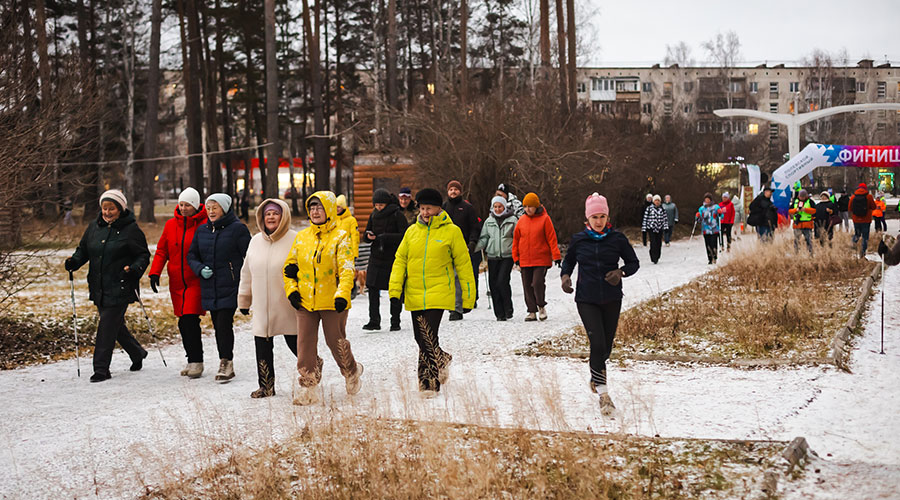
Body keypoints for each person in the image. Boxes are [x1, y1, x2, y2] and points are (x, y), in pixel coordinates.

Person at [389, 188, 475, 395]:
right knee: (420, 337)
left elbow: (464, 265)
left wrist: (468, 297)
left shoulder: (452, 232)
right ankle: (442, 358)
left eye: (429, 208)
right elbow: (400, 260)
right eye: (422, 208)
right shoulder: (412, 232)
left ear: (439, 208)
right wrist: (394, 291)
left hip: (439, 291)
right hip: (415, 292)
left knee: (428, 335)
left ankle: (428, 381)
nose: (425, 212)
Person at [560, 193, 639, 415]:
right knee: (597, 344)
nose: (599, 221)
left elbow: (633, 263)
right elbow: (569, 261)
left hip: (612, 298)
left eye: (602, 216)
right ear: (588, 218)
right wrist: (565, 277)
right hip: (586, 299)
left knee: (606, 346)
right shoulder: (579, 239)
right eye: (595, 216)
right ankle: (604, 394)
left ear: (607, 216)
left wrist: (620, 272)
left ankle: (595, 373)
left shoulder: (617, 239)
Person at [283, 192, 362, 405]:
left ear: (328, 209)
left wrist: (343, 294)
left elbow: (347, 270)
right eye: (313, 208)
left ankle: (351, 370)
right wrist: (292, 290)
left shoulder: (341, 236)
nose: (316, 212)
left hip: (333, 301)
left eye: (320, 207)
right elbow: (289, 268)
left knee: (335, 341)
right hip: (305, 301)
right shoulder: (302, 237)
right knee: (305, 344)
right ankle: (308, 386)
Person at [64, 189, 150, 383]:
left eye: (111, 208)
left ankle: (101, 369)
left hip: (121, 283)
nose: (107, 212)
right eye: (104, 208)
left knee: (106, 326)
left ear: (120, 209)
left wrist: (134, 269)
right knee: (115, 325)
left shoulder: (131, 229)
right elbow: (83, 250)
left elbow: (143, 255)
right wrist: (74, 262)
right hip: (99, 285)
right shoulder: (94, 227)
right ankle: (137, 353)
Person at [186, 193, 252, 383]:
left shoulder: (238, 229)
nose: (211, 211)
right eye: (208, 208)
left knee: (223, 323)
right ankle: (225, 359)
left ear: (224, 208)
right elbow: (192, 256)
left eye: (215, 207)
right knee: (218, 324)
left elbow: (249, 257)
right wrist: (200, 269)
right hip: (209, 285)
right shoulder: (202, 230)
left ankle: (226, 363)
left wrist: (245, 282)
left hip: (230, 284)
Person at [237, 199, 299, 398]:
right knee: (262, 345)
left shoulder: (295, 239)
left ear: (284, 216)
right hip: (262, 305)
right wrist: (244, 299)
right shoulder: (255, 241)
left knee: (296, 342)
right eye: (267, 214)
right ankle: (266, 386)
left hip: (288, 303)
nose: (271, 217)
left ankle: (312, 368)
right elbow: (246, 272)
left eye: (275, 213)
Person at [148, 187, 208, 378]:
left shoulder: (204, 224)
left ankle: (197, 361)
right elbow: (162, 250)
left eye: (187, 205)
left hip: (196, 279)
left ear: (196, 206)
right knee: (183, 322)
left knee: (190, 319)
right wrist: (154, 272)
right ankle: (191, 359)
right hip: (176, 281)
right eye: (181, 204)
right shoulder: (170, 225)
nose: (183, 208)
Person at [362, 188, 410, 331]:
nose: (378, 207)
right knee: (372, 287)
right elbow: (366, 233)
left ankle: (395, 321)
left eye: (381, 205)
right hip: (376, 257)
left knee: (394, 290)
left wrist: (385, 237)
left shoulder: (397, 214)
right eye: (376, 205)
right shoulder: (373, 215)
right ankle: (374, 320)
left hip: (392, 258)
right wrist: (368, 236)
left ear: (387, 204)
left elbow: (404, 236)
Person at [512, 192, 561, 321]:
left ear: (536, 206)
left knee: (537, 283)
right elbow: (516, 241)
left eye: (530, 206)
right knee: (527, 285)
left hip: (541, 259)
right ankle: (531, 311)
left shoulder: (545, 219)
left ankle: (541, 306)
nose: (528, 209)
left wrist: (556, 256)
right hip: (525, 259)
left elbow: (552, 238)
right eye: (525, 207)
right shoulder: (521, 220)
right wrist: (515, 258)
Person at [475, 195, 518, 321]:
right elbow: (484, 238)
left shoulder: (513, 220)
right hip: (493, 256)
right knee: (493, 284)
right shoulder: (489, 221)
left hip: (507, 255)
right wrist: (475, 248)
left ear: (504, 207)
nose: (497, 209)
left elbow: (517, 237)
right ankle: (499, 313)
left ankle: (508, 309)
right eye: (495, 207)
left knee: (502, 281)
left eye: (500, 206)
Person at [443, 180, 481, 320]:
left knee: (460, 277)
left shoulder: (467, 207)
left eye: (456, 189)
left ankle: (458, 308)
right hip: (445, 248)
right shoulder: (444, 208)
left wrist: (472, 243)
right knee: (449, 277)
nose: (453, 192)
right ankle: (451, 304)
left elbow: (474, 227)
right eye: (451, 189)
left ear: (460, 191)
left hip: (463, 247)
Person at [335, 194, 360, 299]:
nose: (337, 209)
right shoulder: (333, 219)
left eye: (339, 207)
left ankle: (352, 289)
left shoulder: (351, 220)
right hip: (336, 250)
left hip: (348, 250)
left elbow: (355, 237)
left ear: (343, 207)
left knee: (348, 271)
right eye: (335, 207)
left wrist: (355, 252)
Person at [849, 183, 876, 257]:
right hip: (866, 220)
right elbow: (874, 207)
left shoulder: (853, 197)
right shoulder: (869, 197)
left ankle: (852, 246)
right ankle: (863, 252)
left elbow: (850, 208)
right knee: (865, 236)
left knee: (857, 234)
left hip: (856, 220)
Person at [695, 193, 722, 265]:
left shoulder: (716, 207)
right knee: (708, 244)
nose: (707, 201)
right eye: (706, 199)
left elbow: (721, 216)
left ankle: (715, 257)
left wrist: (720, 213)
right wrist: (697, 216)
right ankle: (710, 258)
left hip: (714, 229)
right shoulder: (702, 208)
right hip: (705, 229)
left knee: (713, 243)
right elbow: (699, 219)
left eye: (708, 199)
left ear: (710, 200)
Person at [642, 195, 668, 264]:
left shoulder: (662, 209)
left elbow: (665, 219)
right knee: (653, 243)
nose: (657, 202)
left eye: (658, 201)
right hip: (651, 228)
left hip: (660, 228)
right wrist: (644, 228)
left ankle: (658, 256)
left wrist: (666, 227)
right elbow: (645, 219)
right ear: (653, 201)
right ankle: (653, 256)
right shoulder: (649, 209)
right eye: (656, 200)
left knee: (658, 243)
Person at [789, 189, 816, 254]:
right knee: (796, 240)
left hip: (807, 224)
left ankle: (810, 253)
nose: (801, 198)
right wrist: (796, 210)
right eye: (800, 196)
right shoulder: (795, 201)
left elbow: (814, 210)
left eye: (803, 197)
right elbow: (790, 211)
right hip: (797, 224)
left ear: (806, 196)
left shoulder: (810, 201)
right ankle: (796, 253)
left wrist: (805, 209)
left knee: (808, 240)